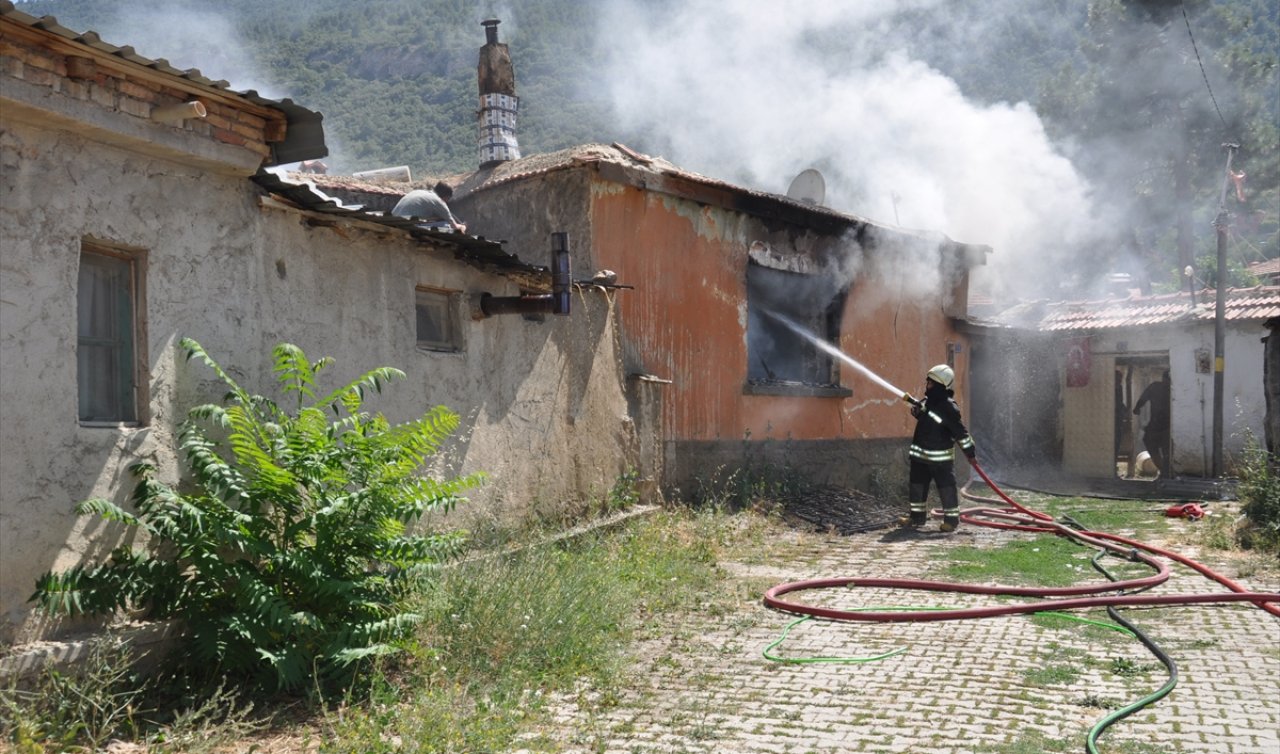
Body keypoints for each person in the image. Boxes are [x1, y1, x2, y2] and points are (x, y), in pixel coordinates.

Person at [899, 364, 976, 533]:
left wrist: (970, 451)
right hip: (920, 456)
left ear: (941, 386)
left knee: (946, 488)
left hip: (940, 460)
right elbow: (925, 417)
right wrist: (917, 412)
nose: (927, 385)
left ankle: (951, 521)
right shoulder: (927, 401)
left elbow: (959, 432)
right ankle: (916, 518)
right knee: (917, 486)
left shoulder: (949, 407)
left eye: (931, 383)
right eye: (928, 382)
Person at [1133, 370, 1171, 478]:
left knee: (1166, 448)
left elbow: (1143, 399)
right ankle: (1164, 470)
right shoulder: (1156, 387)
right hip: (1157, 424)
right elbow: (1143, 399)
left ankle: (1165, 471)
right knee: (1152, 443)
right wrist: (1137, 408)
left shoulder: (1167, 388)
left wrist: (1137, 408)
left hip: (1166, 425)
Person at [391, 181, 466, 233]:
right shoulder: (438, 201)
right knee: (446, 225)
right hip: (408, 225)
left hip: (393, 222)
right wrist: (463, 227)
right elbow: (454, 226)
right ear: (446, 197)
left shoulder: (417, 192)